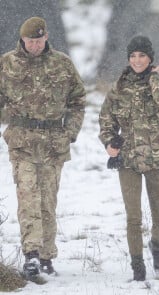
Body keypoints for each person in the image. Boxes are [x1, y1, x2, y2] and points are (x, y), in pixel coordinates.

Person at [0, 17, 86, 281]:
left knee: (48, 200)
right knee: (28, 198)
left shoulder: (62, 64)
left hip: (53, 143)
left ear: (46, 38)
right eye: (30, 41)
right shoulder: (7, 64)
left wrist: (70, 131)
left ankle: (47, 256)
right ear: (22, 40)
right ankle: (31, 255)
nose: (35, 45)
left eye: (38, 40)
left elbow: (78, 100)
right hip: (22, 142)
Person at [99, 35, 159, 281]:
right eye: (133, 56)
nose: (137, 60)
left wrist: (153, 76)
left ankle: (157, 247)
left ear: (150, 58)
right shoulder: (118, 88)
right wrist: (109, 143)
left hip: (157, 158)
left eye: (142, 55)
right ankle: (137, 264)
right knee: (133, 217)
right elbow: (105, 120)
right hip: (128, 159)